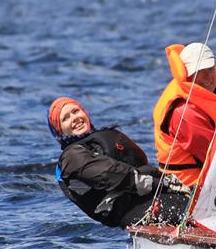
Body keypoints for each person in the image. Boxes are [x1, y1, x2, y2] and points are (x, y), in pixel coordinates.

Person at [48, 97, 188, 228]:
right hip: (128, 208)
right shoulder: (71, 158)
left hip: (150, 194)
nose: (75, 118)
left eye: (76, 111)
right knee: (188, 210)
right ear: (59, 130)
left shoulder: (98, 141)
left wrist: (167, 180)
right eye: (66, 118)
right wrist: (159, 183)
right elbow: (108, 174)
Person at [152, 43, 216, 187]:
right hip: (189, 188)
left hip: (211, 177)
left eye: (210, 69)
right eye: (200, 71)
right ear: (187, 75)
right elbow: (214, 159)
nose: (208, 77)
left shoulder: (206, 96)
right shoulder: (183, 113)